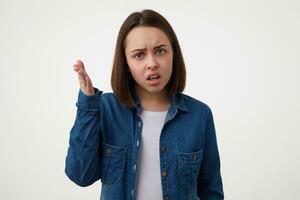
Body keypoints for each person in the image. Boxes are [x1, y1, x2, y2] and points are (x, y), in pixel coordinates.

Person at [65, 9, 224, 200]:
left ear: (173, 53)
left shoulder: (199, 115)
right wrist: (88, 104)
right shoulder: (106, 108)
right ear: (126, 63)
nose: (152, 63)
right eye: (139, 55)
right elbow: (80, 175)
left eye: (160, 51)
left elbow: (211, 192)